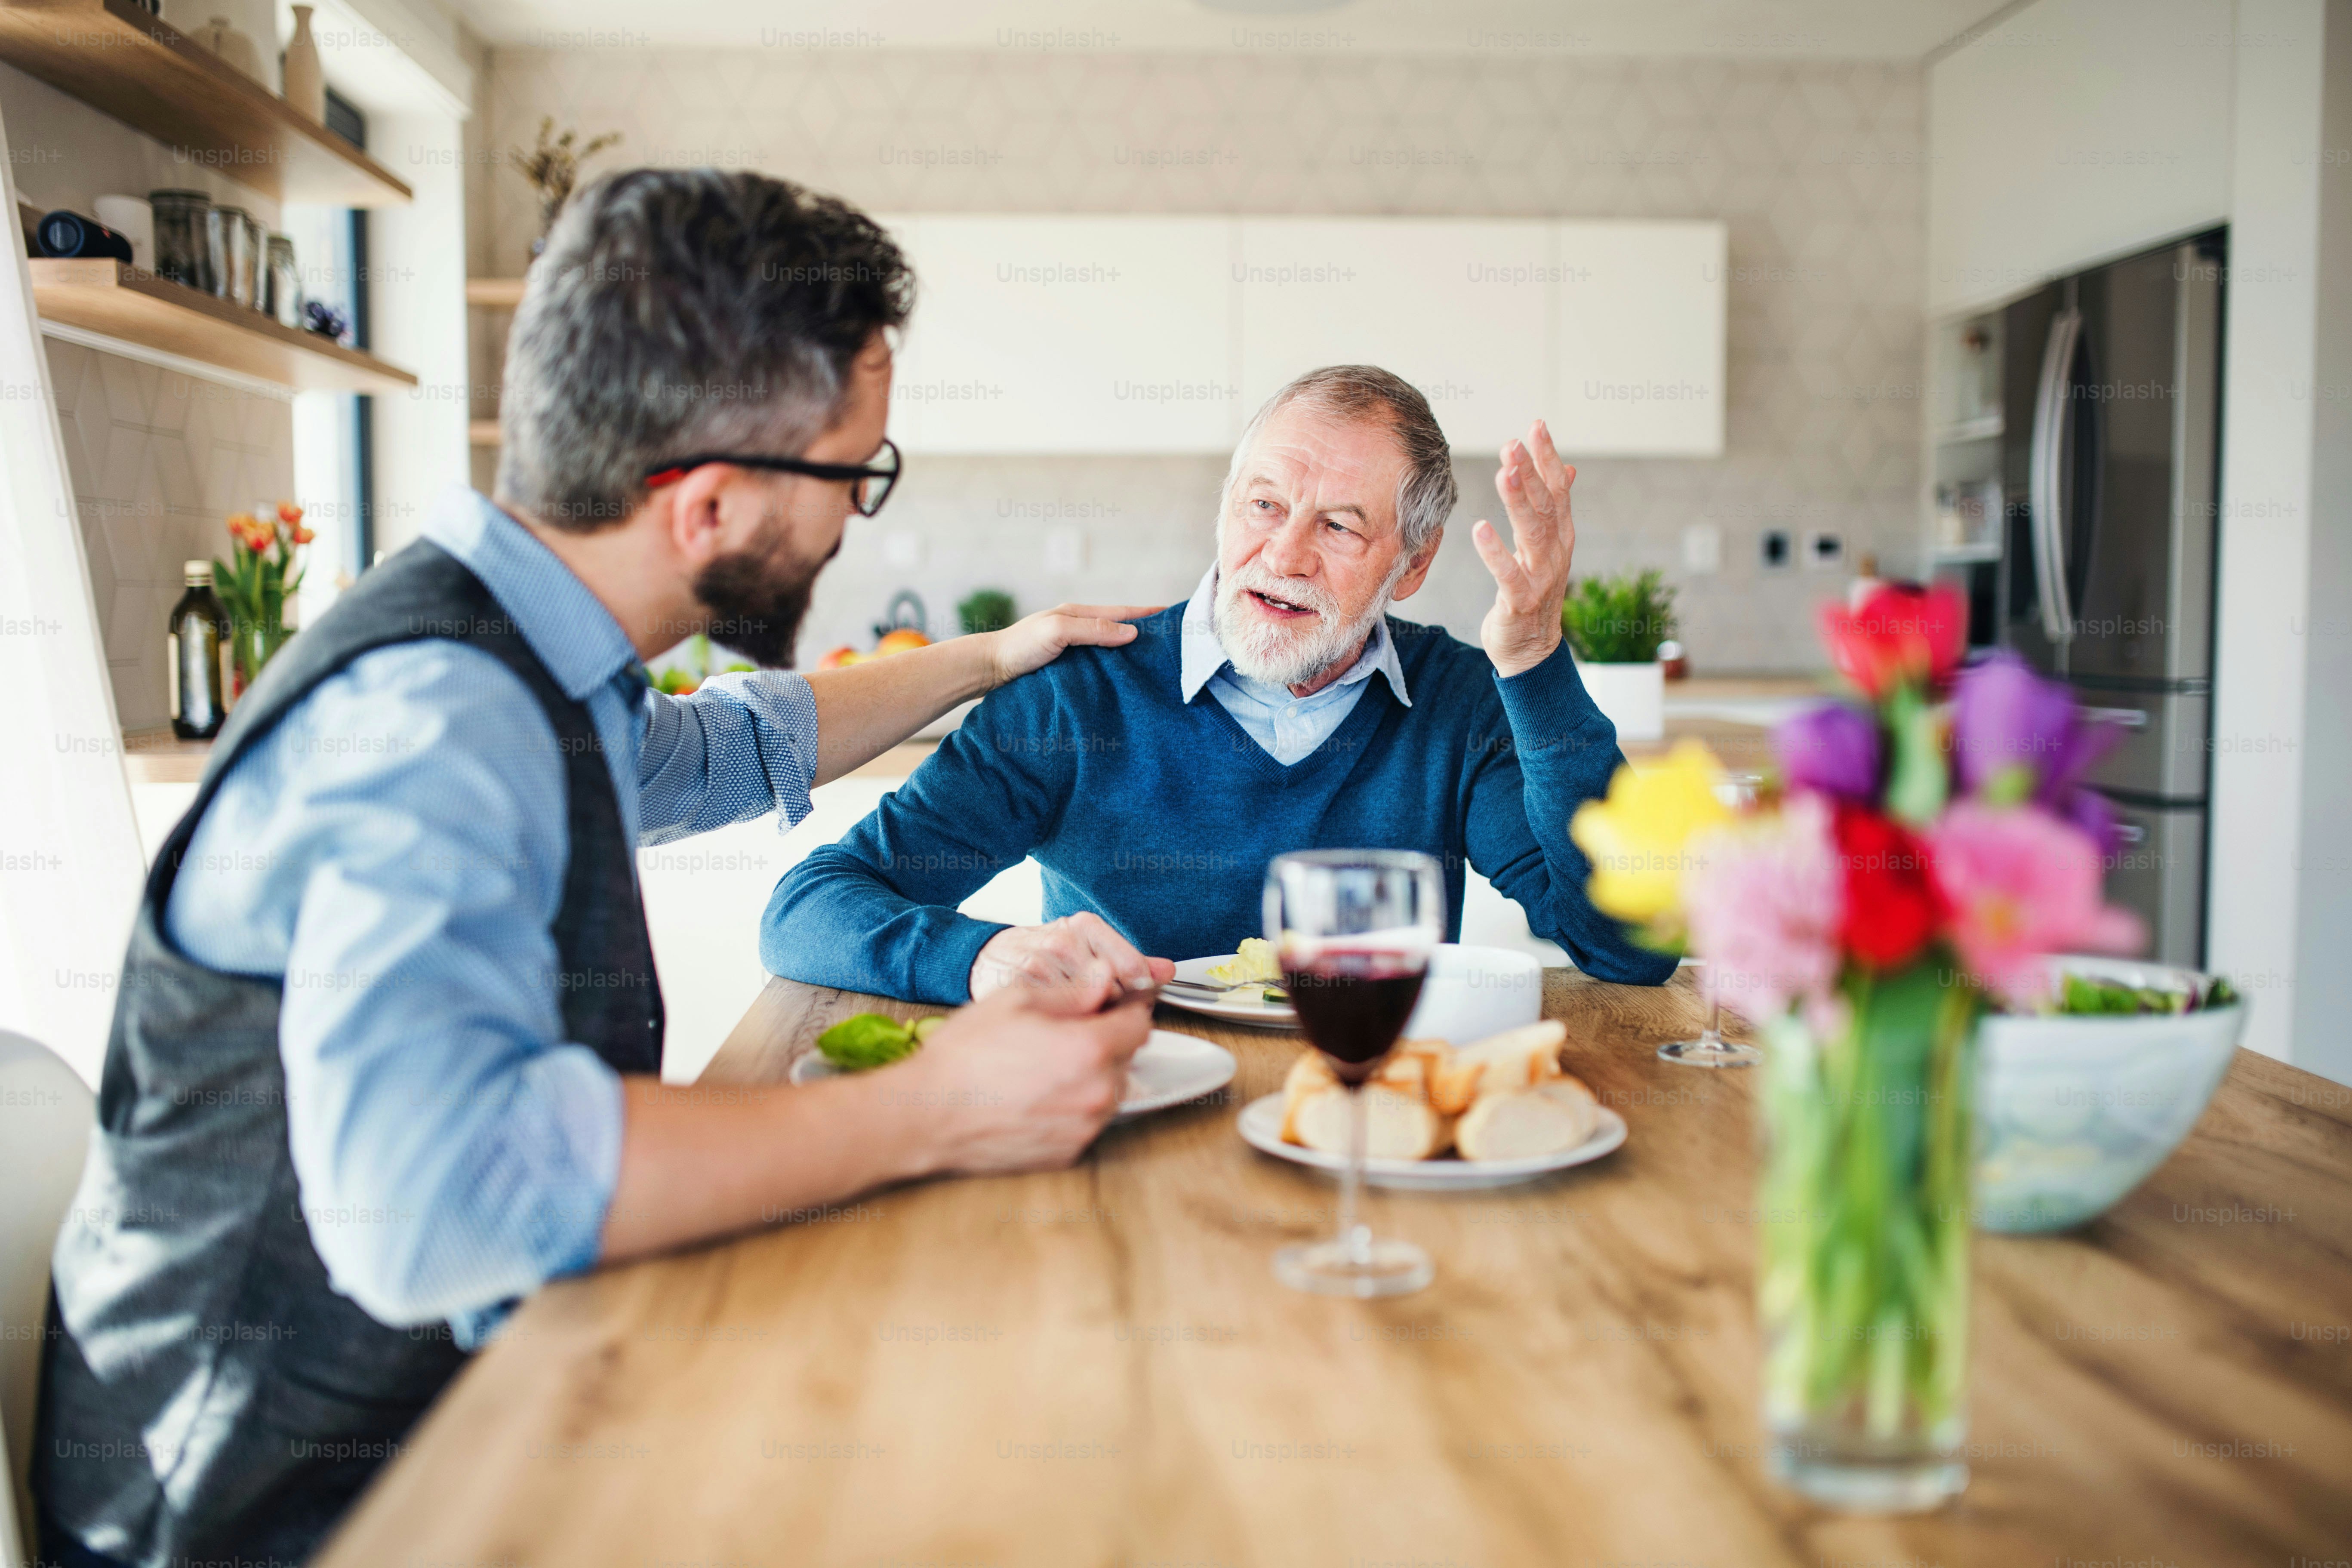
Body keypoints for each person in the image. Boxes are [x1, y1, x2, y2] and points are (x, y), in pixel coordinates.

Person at [34, 169, 1160, 1568]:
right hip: (286, 1511)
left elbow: (721, 752)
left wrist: (993, 655)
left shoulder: (519, 648)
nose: (850, 522)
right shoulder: (433, 722)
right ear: (702, 505)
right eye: (852, 474)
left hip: (462, 1405)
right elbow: (434, 1199)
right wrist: (933, 1106)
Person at [760, 365, 1678, 1003]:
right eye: (1265, 505)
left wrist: (1532, 658)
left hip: (1364, 1112)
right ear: (1225, 504)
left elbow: (1628, 948)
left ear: (1412, 564)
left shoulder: (1460, 701)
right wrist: (984, 955)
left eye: (1340, 526)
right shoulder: (1077, 696)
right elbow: (811, 906)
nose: (1283, 554)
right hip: (1121, 1108)